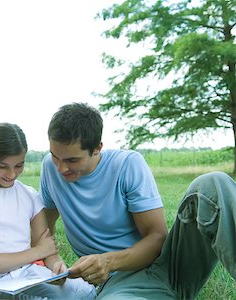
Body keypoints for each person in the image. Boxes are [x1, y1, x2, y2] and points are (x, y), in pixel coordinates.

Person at [39, 102, 236, 299]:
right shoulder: (50, 168)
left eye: (72, 160)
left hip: (170, 267)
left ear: (97, 148)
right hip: (121, 284)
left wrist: (108, 261)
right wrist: (54, 260)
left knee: (213, 184)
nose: (61, 169)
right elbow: (43, 231)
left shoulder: (126, 165)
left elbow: (157, 237)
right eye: (55, 157)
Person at [0, 122, 96, 299]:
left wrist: (56, 266)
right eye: (2, 166)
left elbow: (49, 252)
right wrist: (37, 252)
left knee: (86, 292)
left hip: (29, 275)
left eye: (19, 165)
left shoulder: (29, 195)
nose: (11, 174)